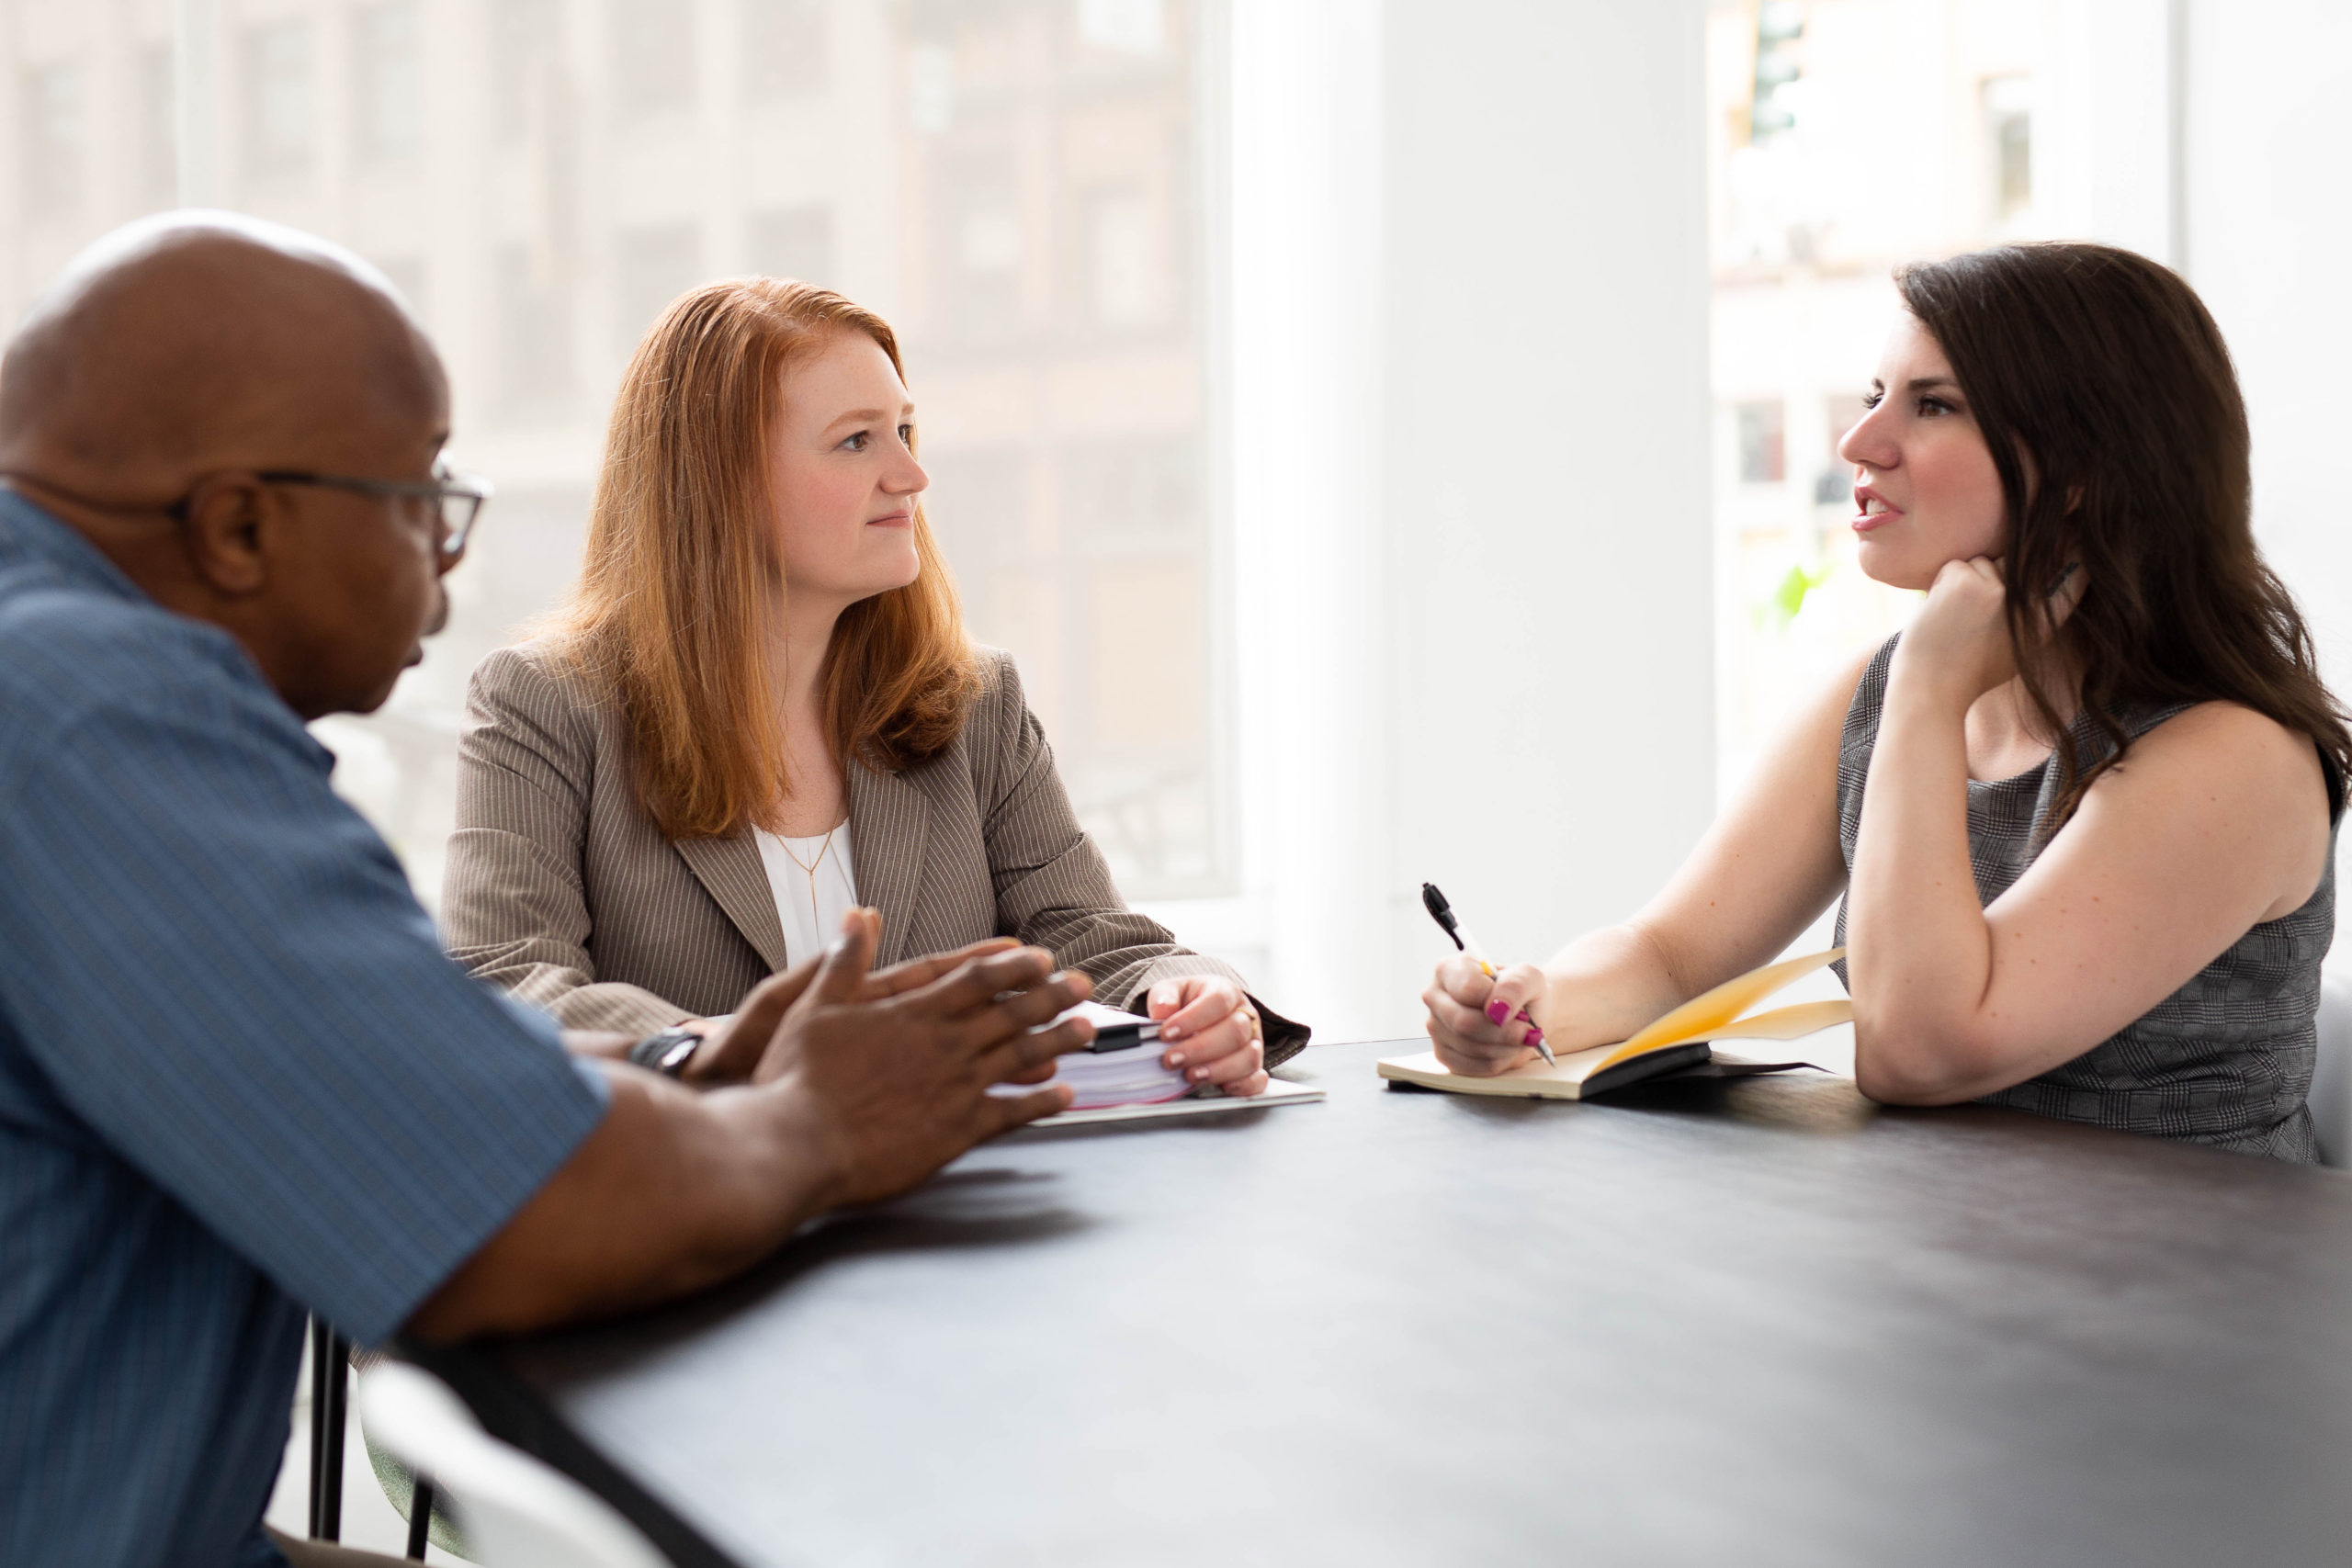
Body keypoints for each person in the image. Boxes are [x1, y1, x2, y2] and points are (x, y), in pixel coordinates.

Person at [0, 213, 1102, 1568]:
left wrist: (694, 1079)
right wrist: (817, 1120)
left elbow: (427, 1071)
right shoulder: (98, 722)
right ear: (239, 524)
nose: (446, 562)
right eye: (422, 498)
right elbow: (500, 1204)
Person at [1425, 242, 2347, 1161]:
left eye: (1933, 405)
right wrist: (1536, 1004)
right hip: (1939, 1262)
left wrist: (1930, 693)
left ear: (2080, 471)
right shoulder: (1897, 686)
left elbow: (1921, 1051)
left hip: (2187, 1289)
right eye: (1874, 397)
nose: (1857, 443)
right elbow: (1669, 956)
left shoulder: (2234, 760)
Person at [441, 276, 1306, 1096]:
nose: (911, 477)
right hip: (700, 1214)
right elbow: (506, 980)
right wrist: (746, 1049)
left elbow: (1095, 941)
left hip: (959, 1209)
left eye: (905, 432)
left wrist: (1190, 994)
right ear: (720, 483)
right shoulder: (543, 704)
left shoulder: (975, 702)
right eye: (857, 440)